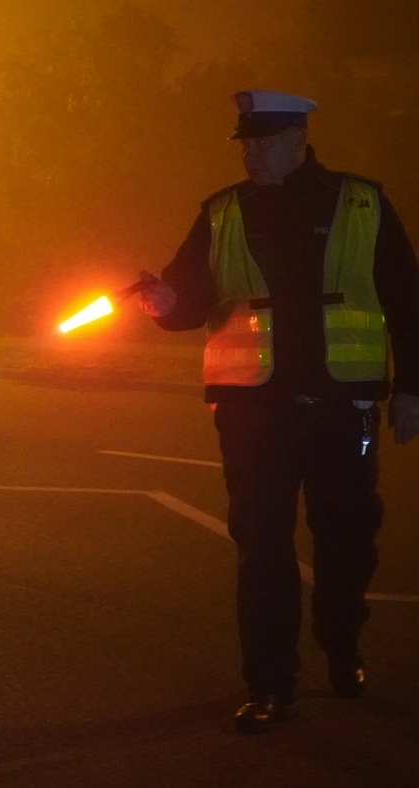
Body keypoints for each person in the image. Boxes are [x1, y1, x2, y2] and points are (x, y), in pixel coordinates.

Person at [140, 90, 419, 734]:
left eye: (262, 142)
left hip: (340, 402)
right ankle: (269, 683)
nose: (250, 154)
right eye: (244, 143)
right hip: (253, 410)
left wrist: (411, 386)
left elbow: (406, 294)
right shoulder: (222, 212)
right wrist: (162, 301)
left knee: (347, 539)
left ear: (299, 139)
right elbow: (186, 301)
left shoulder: (361, 202)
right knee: (261, 546)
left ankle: (342, 645)